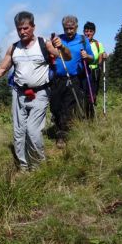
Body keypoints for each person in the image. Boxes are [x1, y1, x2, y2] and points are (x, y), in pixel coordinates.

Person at [0, 12, 64, 172]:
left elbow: (66, 57)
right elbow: (1, 69)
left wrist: (61, 46)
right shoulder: (14, 48)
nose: (22, 32)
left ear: (33, 27)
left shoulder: (45, 44)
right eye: (19, 29)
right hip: (19, 93)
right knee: (18, 132)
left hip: (40, 93)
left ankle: (38, 166)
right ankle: (23, 166)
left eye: (26, 28)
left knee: (33, 131)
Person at [50, 15, 94, 148]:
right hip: (57, 79)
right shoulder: (58, 39)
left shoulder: (82, 39)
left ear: (76, 27)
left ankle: (62, 135)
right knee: (55, 107)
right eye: (66, 28)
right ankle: (59, 126)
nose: (69, 31)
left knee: (67, 107)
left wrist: (87, 56)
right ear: (63, 27)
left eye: (71, 28)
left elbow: (92, 58)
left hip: (73, 78)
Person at [82, 21, 107, 117]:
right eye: (86, 31)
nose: (88, 33)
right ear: (84, 32)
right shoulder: (81, 43)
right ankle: (84, 114)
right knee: (83, 94)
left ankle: (91, 115)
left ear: (94, 32)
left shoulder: (98, 44)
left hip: (94, 71)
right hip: (83, 71)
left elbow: (101, 57)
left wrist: (104, 56)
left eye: (90, 31)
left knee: (93, 94)